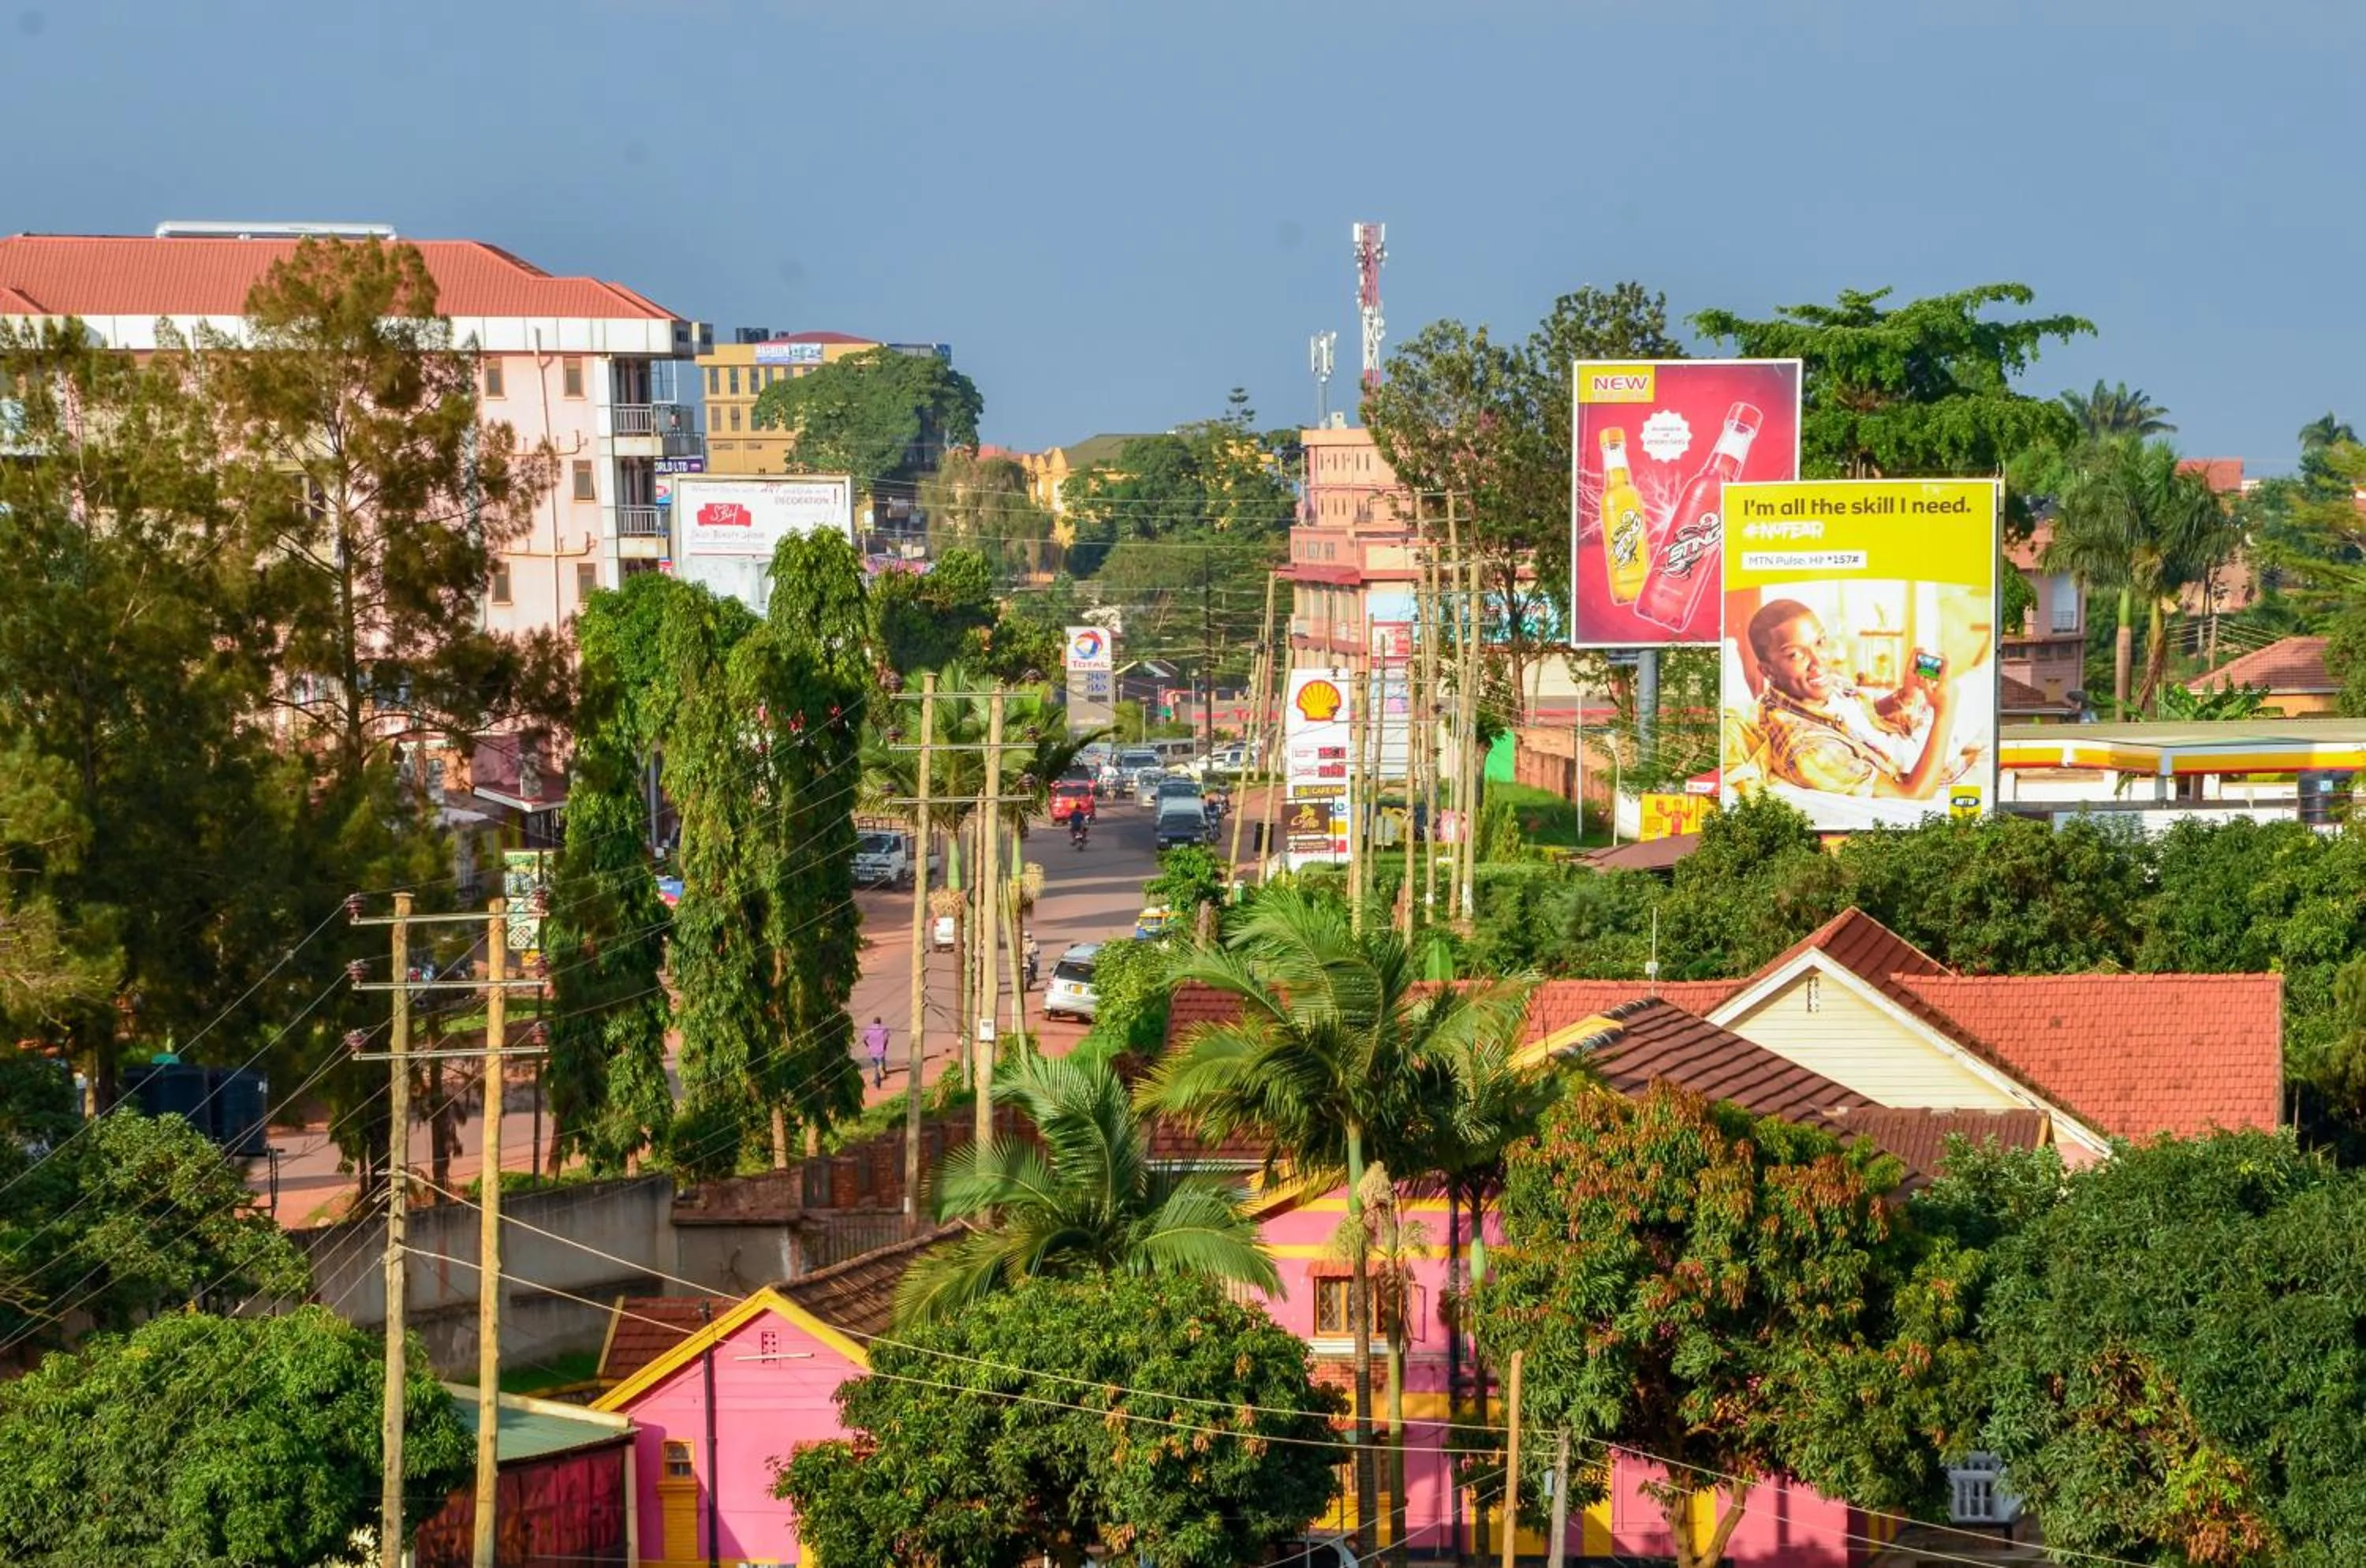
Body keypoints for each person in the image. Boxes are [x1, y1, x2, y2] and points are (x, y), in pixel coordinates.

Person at [1743, 598, 1961, 801]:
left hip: (1906, 735)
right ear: (1767, 671)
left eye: (1820, 642)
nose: (1819, 663)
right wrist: (1945, 712)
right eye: (1795, 655)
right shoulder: (1808, 751)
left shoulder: (1813, 690)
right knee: (1975, 688)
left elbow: (1861, 711)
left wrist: (1906, 694)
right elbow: (1913, 794)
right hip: (1920, 761)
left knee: (1967, 681)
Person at [862, 1016, 890, 1088]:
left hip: (872, 1051)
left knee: (876, 1066)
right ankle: (880, 1074)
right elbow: (887, 1039)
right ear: (880, 1022)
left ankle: (877, 1080)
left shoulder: (869, 1029)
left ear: (873, 1022)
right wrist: (885, 1046)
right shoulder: (884, 1029)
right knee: (879, 1065)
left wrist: (868, 1046)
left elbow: (864, 1039)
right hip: (881, 1050)